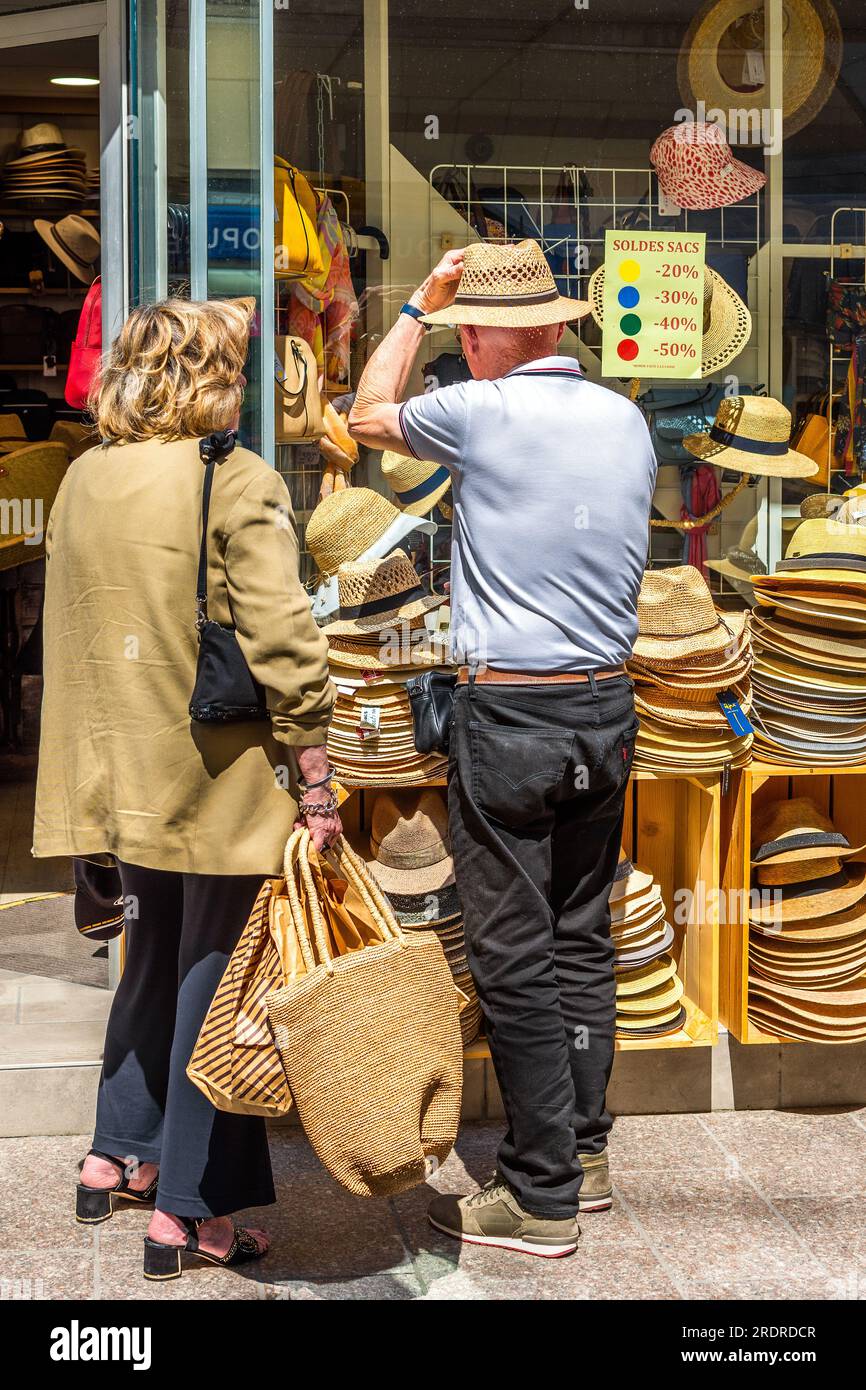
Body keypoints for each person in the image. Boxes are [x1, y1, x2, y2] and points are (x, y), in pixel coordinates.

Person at [349, 240, 656, 1258]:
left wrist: (411, 311)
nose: (459, 348)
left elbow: (360, 416)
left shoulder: (476, 411)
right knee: (579, 936)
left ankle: (538, 1193)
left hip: (511, 716)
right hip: (605, 709)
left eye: (463, 333)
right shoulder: (623, 418)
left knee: (514, 951)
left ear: (483, 336)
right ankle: (583, 1151)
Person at [33, 297, 339, 1278]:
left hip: (113, 763)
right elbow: (283, 641)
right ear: (212, 376)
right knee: (220, 979)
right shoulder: (234, 477)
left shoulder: (83, 477)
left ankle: (114, 1152)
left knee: (150, 951)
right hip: (214, 773)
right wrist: (319, 776)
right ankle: (192, 1209)